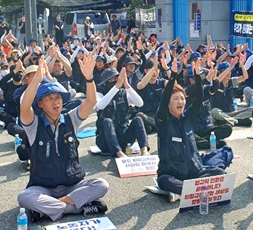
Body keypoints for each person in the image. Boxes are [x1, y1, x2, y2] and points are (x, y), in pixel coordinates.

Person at [17, 57, 109, 222]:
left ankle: (53, 208)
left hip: (72, 185)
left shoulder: (71, 119)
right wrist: (37, 79)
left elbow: (91, 101)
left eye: (58, 97)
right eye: (49, 98)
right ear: (40, 104)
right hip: (43, 188)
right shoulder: (34, 125)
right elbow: (24, 107)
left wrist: (89, 78)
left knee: (101, 184)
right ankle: (76, 208)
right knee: (24, 197)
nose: (56, 102)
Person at [156, 59, 231, 202]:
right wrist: (173, 75)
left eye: (182, 99)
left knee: (220, 173)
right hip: (172, 174)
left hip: (194, 173)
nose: (180, 102)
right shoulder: (162, 121)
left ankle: (186, 191)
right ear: (169, 103)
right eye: (176, 99)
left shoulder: (188, 117)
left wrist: (198, 76)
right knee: (164, 181)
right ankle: (190, 190)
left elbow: (199, 99)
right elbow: (164, 100)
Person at [95, 68, 149, 158]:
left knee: (138, 120)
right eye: (112, 80)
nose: (116, 81)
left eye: (117, 79)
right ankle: (119, 154)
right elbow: (100, 106)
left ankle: (144, 151)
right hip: (105, 141)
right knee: (107, 121)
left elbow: (140, 103)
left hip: (122, 137)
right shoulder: (99, 94)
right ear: (105, 83)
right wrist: (115, 87)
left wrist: (127, 86)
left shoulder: (124, 94)